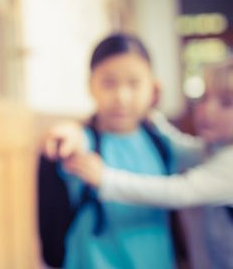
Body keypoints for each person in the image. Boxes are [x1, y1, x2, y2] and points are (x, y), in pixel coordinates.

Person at [63, 59, 233, 269]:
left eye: (226, 103)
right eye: (204, 98)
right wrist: (150, 109)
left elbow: (178, 191)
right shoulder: (215, 150)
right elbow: (180, 146)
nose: (207, 110)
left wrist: (106, 180)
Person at [41, 33, 177, 269]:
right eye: (108, 83)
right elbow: (70, 140)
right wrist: (67, 136)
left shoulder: (163, 142)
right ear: (90, 86)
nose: (121, 97)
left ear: (153, 87)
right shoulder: (79, 144)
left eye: (134, 83)